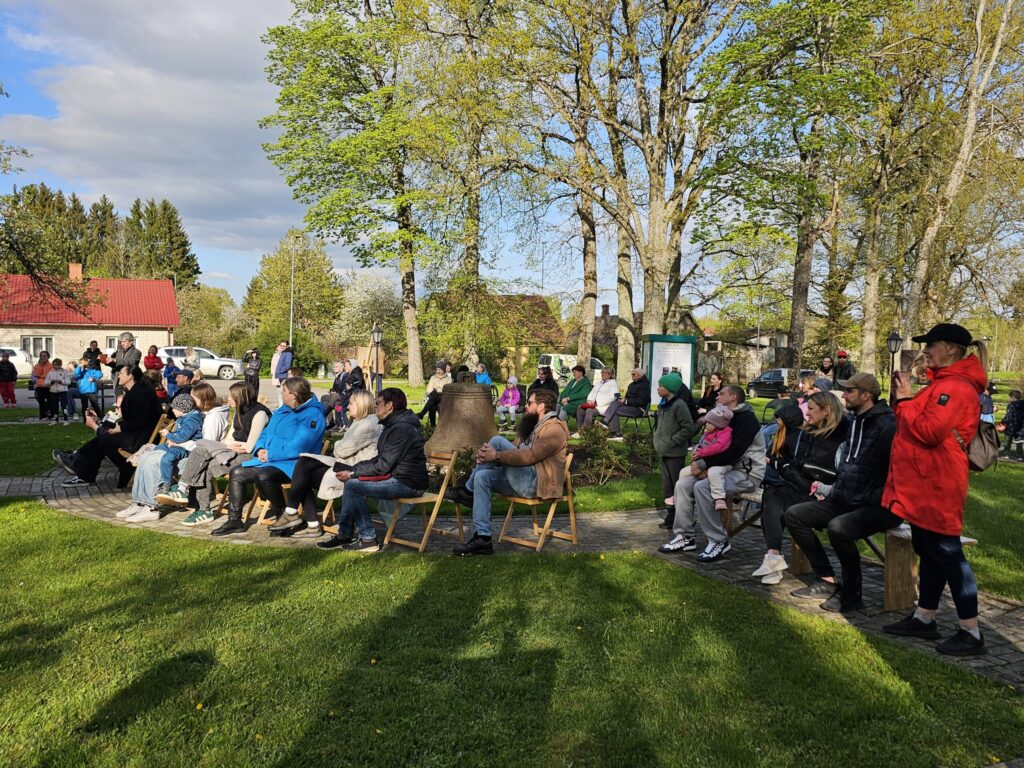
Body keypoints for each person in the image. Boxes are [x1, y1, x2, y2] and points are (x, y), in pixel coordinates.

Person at [882, 323, 989, 655]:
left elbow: (929, 431)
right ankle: (925, 618)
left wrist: (905, 398)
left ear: (951, 349)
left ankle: (970, 632)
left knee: (948, 554)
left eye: (931, 345)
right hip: (923, 483)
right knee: (928, 549)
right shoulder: (941, 384)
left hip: (938, 484)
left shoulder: (955, 388)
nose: (925, 350)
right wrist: (905, 400)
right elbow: (911, 423)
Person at [784, 372, 897, 613]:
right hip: (846, 497)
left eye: (849, 391)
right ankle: (826, 579)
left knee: (839, 528)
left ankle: (852, 594)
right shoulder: (856, 420)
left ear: (866, 395)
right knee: (794, 514)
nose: (844, 395)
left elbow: (898, 469)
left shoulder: (887, 425)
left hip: (878, 504)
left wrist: (872, 496)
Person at [450, 388, 568, 557]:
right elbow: (516, 450)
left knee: (497, 441)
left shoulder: (554, 430)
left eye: (529, 403)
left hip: (536, 484)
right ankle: (482, 538)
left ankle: (468, 491)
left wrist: (495, 455)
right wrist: (489, 456)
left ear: (541, 406)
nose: (525, 406)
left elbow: (530, 456)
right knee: (482, 477)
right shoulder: (533, 425)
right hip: (523, 478)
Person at [659, 385, 764, 562]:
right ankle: (685, 536)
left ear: (733, 398)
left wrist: (704, 464)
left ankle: (719, 540)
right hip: (719, 469)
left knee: (702, 487)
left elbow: (735, 452)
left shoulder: (746, 420)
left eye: (721, 393)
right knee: (683, 484)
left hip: (745, 473)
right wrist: (701, 462)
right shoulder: (722, 416)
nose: (716, 396)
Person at [316, 388, 428, 552]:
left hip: (408, 483)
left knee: (353, 485)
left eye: (378, 403)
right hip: (398, 478)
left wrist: (353, 474)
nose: (375, 407)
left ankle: (368, 539)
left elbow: (383, 465)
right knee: (352, 482)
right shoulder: (392, 425)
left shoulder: (401, 429)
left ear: (389, 405)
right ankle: (345, 534)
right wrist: (353, 470)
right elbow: (379, 459)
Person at [211, 377, 326, 536]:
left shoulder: (312, 415)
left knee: (264, 476)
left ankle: (284, 517)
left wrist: (270, 454)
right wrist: (259, 449)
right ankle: (234, 520)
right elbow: (265, 433)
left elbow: (299, 446)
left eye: (284, 390)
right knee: (237, 473)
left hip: (295, 464)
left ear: (293, 394)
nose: (281, 393)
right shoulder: (282, 410)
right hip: (270, 460)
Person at [753, 394, 849, 585]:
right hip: (802, 485)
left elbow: (843, 474)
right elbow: (797, 465)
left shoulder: (843, 435)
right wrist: (789, 471)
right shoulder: (809, 432)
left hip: (826, 493)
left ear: (826, 410)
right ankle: (773, 557)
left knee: (789, 512)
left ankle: (824, 576)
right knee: (773, 494)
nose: (806, 413)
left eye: (811, 408)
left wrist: (820, 487)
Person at [269, 390, 382, 539]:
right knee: (303, 468)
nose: (347, 406)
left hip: (356, 471)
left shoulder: (367, 424)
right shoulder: (361, 422)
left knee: (303, 472)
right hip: (348, 465)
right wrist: (340, 445)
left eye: (351, 403)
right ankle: (306, 522)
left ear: (361, 404)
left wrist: (338, 445)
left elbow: (341, 450)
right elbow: (344, 450)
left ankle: (299, 517)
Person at [161, 382, 271, 526]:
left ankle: (197, 503)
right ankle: (187, 493)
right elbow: (230, 438)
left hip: (250, 455)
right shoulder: (239, 410)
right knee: (201, 447)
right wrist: (227, 445)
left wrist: (228, 446)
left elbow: (250, 446)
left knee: (204, 464)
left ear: (241, 397)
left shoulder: (260, 414)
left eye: (231, 396)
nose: (228, 399)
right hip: (232, 450)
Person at [54, 366, 163, 488]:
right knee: (104, 437)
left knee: (103, 440)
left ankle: (79, 467)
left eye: (121, 373)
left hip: (140, 439)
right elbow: (134, 418)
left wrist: (119, 428)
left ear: (130, 376)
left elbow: (141, 420)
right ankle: (78, 465)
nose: (119, 376)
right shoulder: (137, 391)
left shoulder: (141, 393)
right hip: (138, 434)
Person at [116, 391, 205, 522]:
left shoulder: (195, 418)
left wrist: (172, 436)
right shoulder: (187, 417)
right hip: (178, 446)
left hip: (188, 452)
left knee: (152, 460)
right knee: (146, 456)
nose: (172, 410)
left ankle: (150, 508)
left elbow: (194, 439)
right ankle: (140, 502)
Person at [652, 374, 695, 530]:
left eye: (661, 386)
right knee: (667, 486)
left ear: (669, 389)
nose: (658, 388)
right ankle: (671, 514)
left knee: (677, 485)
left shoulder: (679, 405)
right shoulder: (663, 405)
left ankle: (682, 516)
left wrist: (672, 442)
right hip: (664, 451)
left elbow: (688, 428)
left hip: (675, 453)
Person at [600, 368, 650, 438]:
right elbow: (628, 397)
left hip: (639, 409)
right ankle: (606, 422)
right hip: (630, 406)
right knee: (615, 402)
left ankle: (615, 432)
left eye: (633, 374)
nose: (631, 375)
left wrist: (626, 401)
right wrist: (623, 399)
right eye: (631, 374)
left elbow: (641, 401)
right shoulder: (631, 385)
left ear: (639, 376)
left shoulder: (644, 386)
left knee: (614, 410)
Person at [573, 367, 619, 433]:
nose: (602, 374)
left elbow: (613, 397)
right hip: (594, 405)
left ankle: (585, 431)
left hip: (605, 406)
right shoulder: (599, 383)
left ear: (610, 375)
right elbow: (592, 392)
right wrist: (590, 400)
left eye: (604, 372)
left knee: (589, 411)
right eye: (602, 372)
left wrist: (599, 404)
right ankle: (580, 430)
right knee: (580, 409)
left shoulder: (613, 384)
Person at [997, 389, 1024, 461]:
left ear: (1012, 397)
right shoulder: (1023, 404)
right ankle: (1020, 456)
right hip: (1020, 426)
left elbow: (1008, 415)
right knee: (1019, 441)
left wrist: (1002, 422)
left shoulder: (1011, 405)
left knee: (1008, 440)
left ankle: (1006, 454)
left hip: (1011, 426)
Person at [44, 358, 73, 424]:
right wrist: (51, 382)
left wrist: (61, 381)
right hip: (53, 391)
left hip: (63, 391)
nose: (55, 366)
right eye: (54, 365)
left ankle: (66, 420)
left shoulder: (65, 372)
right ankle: (55, 420)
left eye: (57, 365)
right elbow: (46, 382)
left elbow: (69, 382)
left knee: (63, 405)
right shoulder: (50, 372)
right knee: (54, 406)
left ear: (60, 365)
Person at [31, 351, 54, 420]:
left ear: (48, 357)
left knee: (50, 400)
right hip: (40, 385)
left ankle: (50, 415)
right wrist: (40, 366)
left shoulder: (51, 366)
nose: (43, 357)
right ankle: (43, 416)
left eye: (44, 356)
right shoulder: (37, 366)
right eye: (41, 356)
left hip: (48, 385)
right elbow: (36, 375)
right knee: (41, 401)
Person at [271, 340, 293, 407]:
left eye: (284, 346)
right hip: (280, 376)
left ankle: (284, 407)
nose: (282, 347)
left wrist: (279, 371)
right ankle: (281, 406)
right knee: (280, 392)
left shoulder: (288, 354)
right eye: (281, 345)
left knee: (284, 393)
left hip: (284, 376)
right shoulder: (283, 353)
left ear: (287, 346)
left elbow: (287, 366)